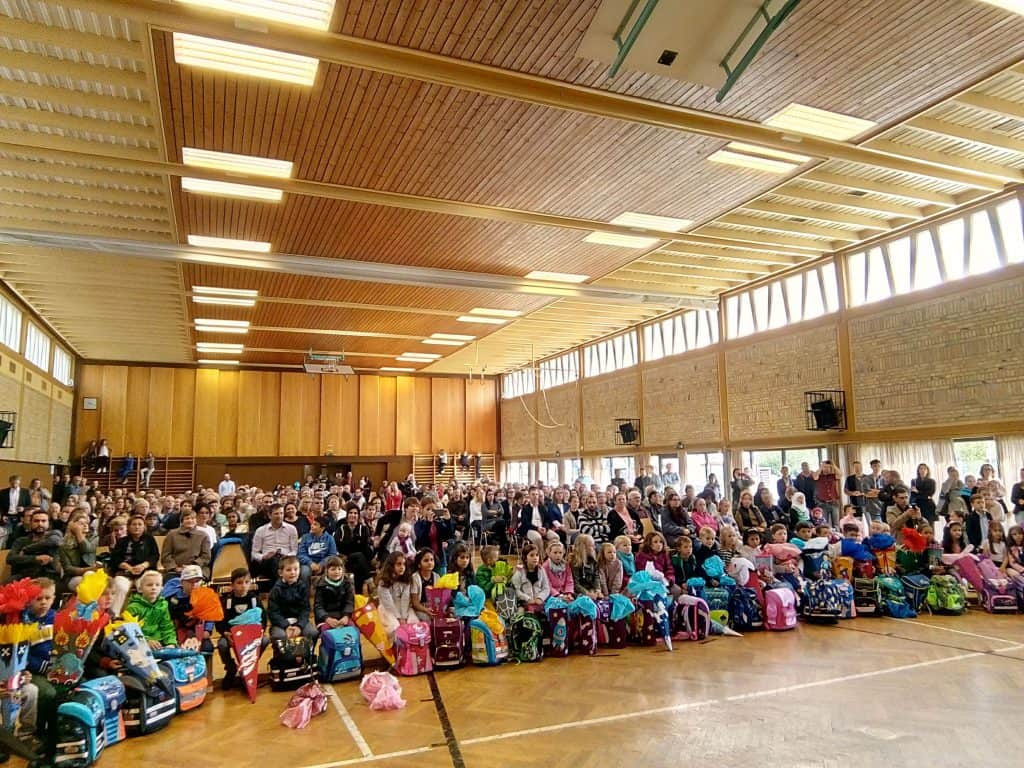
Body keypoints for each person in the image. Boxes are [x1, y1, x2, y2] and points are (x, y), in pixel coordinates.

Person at [216, 567, 267, 690]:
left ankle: (247, 665)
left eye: (246, 582)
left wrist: (261, 631)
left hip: (251, 635)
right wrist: (225, 633)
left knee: (265, 641)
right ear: (232, 585)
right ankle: (231, 668)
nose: (243, 586)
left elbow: (263, 619)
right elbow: (219, 621)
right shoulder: (227, 601)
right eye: (239, 583)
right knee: (222, 644)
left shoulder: (255, 600)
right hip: (232, 636)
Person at [267, 556, 317, 642]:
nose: (293, 573)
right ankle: (280, 656)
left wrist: (299, 626)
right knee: (279, 636)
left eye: (296, 569)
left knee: (313, 633)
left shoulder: (302, 587)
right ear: (280, 572)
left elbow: (305, 609)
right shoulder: (276, 590)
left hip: (299, 621)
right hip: (280, 624)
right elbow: (273, 613)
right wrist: (286, 626)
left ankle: (309, 655)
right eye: (288, 570)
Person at [126, 571, 178, 649]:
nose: (154, 588)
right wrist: (146, 640)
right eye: (149, 585)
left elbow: (167, 627)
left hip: (160, 644)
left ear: (161, 588)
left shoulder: (163, 605)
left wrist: (171, 643)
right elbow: (129, 631)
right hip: (140, 645)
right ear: (140, 589)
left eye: (157, 585)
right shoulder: (133, 607)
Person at [8, 509, 62, 581]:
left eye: (43, 521)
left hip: (49, 577)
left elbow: (55, 543)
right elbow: (10, 558)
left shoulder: (54, 536)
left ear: (49, 523)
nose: (40, 524)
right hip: (24, 577)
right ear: (30, 523)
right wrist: (35, 558)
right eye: (36, 521)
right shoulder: (21, 541)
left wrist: (25, 550)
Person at [250, 503, 298, 584]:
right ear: (269, 515)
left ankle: (280, 589)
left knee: (281, 564)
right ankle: (285, 588)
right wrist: (263, 556)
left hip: (286, 559)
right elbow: (254, 553)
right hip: (267, 561)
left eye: (281, 513)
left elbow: (294, 550)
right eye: (276, 514)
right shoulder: (260, 530)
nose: (279, 516)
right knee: (274, 561)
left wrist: (287, 556)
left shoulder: (291, 529)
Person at [160, 508, 212, 579]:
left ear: (196, 521)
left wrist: (192, 566)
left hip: (197, 569)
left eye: (193, 518)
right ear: (182, 521)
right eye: (187, 518)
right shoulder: (172, 534)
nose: (190, 520)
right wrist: (175, 568)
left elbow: (206, 556)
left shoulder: (203, 535)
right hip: (176, 570)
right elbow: (166, 555)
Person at [335, 504, 374, 594]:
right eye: (351, 513)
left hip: (360, 560)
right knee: (358, 555)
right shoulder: (341, 529)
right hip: (346, 558)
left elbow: (364, 546)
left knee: (357, 566)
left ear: (358, 516)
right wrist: (356, 543)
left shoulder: (363, 529)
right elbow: (339, 545)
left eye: (355, 513)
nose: (353, 515)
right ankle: (369, 581)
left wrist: (350, 544)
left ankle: (356, 596)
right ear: (347, 515)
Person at [376, 552, 417, 633]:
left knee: (413, 624)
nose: (402, 567)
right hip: (387, 609)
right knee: (395, 627)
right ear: (391, 566)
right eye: (399, 564)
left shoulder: (406, 580)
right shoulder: (384, 582)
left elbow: (405, 599)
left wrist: (404, 617)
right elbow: (388, 603)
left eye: (404, 564)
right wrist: (398, 618)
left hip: (403, 608)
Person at [58, 511, 97, 592]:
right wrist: (89, 569)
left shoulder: (95, 539)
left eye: (86, 523)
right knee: (87, 578)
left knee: (90, 577)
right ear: (73, 527)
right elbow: (68, 569)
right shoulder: (64, 546)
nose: (85, 525)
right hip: (72, 578)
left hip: (94, 574)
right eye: (81, 523)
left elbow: (87, 549)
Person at [314, 556, 355, 630]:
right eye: (333, 569)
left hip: (343, 616)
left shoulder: (347, 583)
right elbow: (318, 606)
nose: (337, 572)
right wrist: (327, 618)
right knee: (327, 630)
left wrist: (346, 616)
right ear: (326, 571)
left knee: (352, 629)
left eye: (339, 569)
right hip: (326, 618)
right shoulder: (321, 585)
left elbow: (349, 602)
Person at [297, 515, 337, 584]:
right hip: (308, 563)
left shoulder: (330, 539)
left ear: (322, 528)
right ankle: (305, 593)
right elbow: (301, 554)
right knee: (304, 571)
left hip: (324, 564)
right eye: (312, 523)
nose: (312, 526)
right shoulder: (305, 537)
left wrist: (321, 565)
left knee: (333, 570)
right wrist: (311, 563)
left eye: (315, 524)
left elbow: (332, 555)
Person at [511, 542, 550, 611]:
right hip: (524, 603)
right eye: (532, 555)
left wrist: (540, 598)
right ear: (525, 558)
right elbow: (516, 590)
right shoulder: (519, 572)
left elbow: (546, 587)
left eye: (537, 555)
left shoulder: (541, 570)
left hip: (539, 602)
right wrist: (527, 599)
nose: (535, 558)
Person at [410, 549, 438, 621]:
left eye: (432, 560)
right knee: (426, 619)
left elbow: (438, 597)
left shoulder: (436, 576)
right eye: (426, 560)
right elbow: (415, 603)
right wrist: (426, 610)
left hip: (433, 606)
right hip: (420, 607)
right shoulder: (415, 578)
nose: (430, 563)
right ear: (419, 564)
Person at [812, 460, 841, 529]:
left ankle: (837, 537)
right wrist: (821, 467)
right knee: (824, 523)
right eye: (825, 467)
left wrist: (833, 465)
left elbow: (840, 474)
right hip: (822, 503)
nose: (827, 468)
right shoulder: (819, 476)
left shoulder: (833, 476)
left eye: (828, 467)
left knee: (836, 523)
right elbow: (815, 476)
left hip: (834, 503)